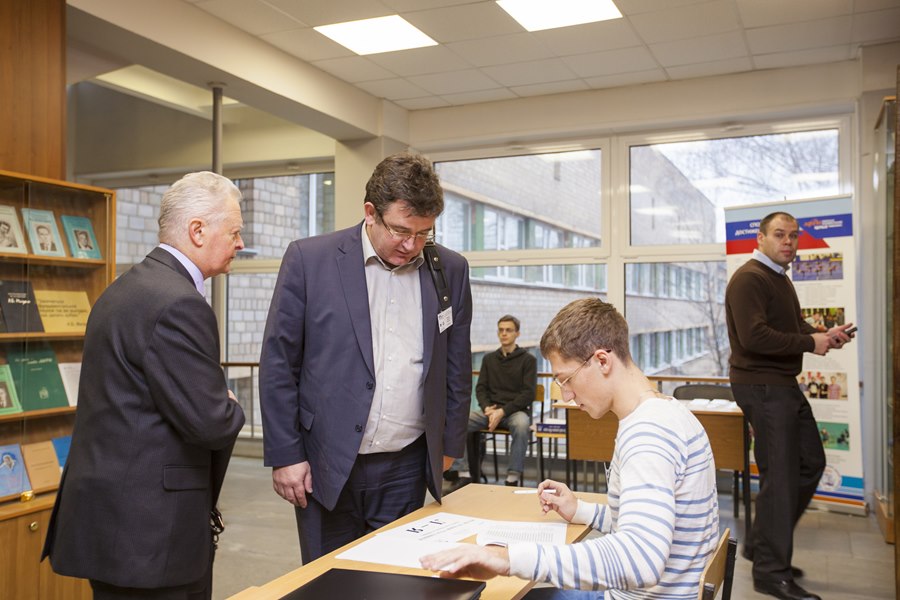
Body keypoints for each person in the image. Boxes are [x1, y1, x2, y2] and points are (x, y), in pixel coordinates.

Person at [421, 298, 720, 598]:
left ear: (602, 361)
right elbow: (646, 522)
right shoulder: (667, 412)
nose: (566, 395)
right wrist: (580, 510)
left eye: (566, 380)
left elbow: (639, 560)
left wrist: (507, 558)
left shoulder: (649, 434)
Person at [42, 171, 247, 600]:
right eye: (234, 232)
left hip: (113, 525)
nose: (240, 244)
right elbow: (211, 421)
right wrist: (230, 404)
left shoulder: (123, 289)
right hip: (150, 536)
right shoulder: (179, 303)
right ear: (197, 231)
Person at [259, 152, 473, 563]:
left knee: (398, 580)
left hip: (406, 464)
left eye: (424, 233)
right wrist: (286, 454)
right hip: (324, 461)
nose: (412, 245)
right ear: (370, 212)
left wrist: (449, 444)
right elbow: (279, 364)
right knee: (328, 579)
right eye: (401, 231)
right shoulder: (310, 260)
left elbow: (456, 365)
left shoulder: (449, 269)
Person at [725, 211, 854, 600]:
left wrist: (823, 335)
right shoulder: (749, 278)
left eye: (793, 236)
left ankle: (761, 544)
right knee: (780, 478)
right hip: (762, 386)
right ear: (761, 238)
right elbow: (754, 337)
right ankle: (770, 572)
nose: (788, 242)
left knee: (810, 463)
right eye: (780, 235)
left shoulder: (778, 277)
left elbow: (793, 328)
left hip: (781, 384)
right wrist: (809, 343)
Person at [446, 314, 536, 487]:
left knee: (522, 425)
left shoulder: (528, 360)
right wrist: (487, 408)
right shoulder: (489, 359)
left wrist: (502, 411)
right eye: (501, 330)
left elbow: (528, 394)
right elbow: (481, 388)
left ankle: (512, 478)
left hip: (514, 412)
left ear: (517, 333)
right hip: (490, 412)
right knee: (457, 421)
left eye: (508, 330)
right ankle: (463, 473)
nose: (504, 333)